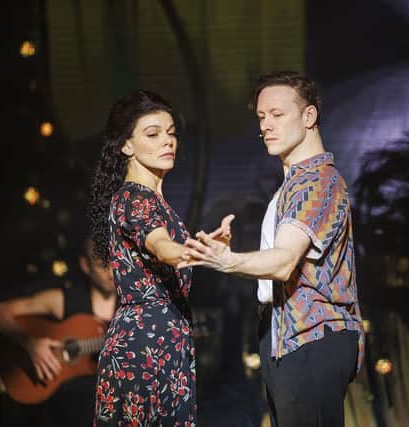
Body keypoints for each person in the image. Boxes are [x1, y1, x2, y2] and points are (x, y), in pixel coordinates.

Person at [179, 71, 365, 427]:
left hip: (311, 339)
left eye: (277, 115)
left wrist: (227, 260)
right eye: (262, 117)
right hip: (286, 339)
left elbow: (283, 263)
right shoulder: (291, 186)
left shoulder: (317, 181)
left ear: (308, 116)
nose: (266, 125)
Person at [88, 90, 203, 426]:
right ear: (126, 145)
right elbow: (161, 246)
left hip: (165, 339)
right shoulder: (133, 199)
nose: (167, 142)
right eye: (152, 134)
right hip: (144, 345)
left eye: (171, 133)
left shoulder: (154, 200)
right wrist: (193, 251)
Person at [0, 238, 117, 427]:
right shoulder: (64, 300)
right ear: (85, 265)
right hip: (58, 413)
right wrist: (30, 343)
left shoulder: (131, 310)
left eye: (113, 261)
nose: (110, 271)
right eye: (101, 263)